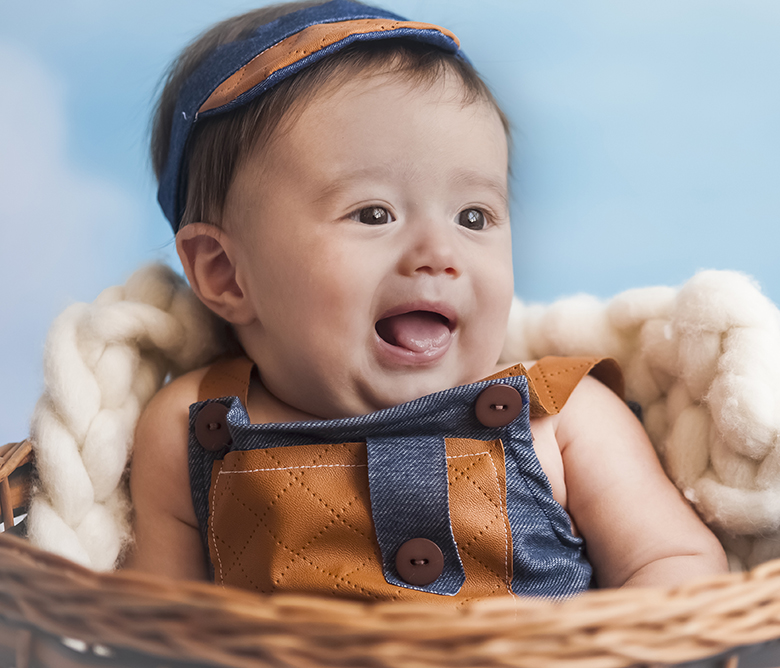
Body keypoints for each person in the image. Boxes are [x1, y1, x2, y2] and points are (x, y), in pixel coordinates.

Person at [125, 0, 727, 601]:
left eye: (473, 216)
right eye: (374, 213)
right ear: (226, 272)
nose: (440, 252)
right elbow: (152, 630)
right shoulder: (193, 428)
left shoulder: (563, 419)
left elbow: (675, 562)